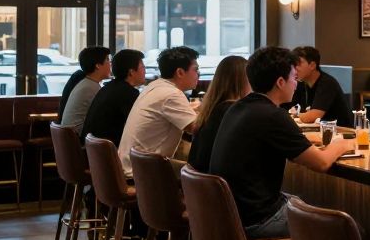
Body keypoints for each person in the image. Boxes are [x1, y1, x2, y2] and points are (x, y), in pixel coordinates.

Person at [209, 46, 351, 240]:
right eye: (294, 78)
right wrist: (341, 145)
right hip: (255, 220)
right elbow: (321, 163)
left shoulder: (240, 108)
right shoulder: (272, 116)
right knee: (342, 230)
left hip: (230, 216)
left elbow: (288, 145)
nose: (296, 84)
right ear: (280, 82)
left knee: (307, 208)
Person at [117, 47, 200, 176]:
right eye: (195, 70)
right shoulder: (171, 94)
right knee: (203, 172)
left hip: (132, 164)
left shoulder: (155, 86)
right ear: (180, 72)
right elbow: (198, 129)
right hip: (142, 172)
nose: (198, 74)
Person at [187, 55, 250, 172]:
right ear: (242, 81)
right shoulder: (234, 112)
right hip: (219, 185)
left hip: (198, 184)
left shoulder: (210, 109)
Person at [81, 49, 145, 146]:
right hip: (107, 154)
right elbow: (140, 126)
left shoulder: (109, 87)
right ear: (131, 72)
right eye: (142, 67)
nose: (145, 70)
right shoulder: (127, 93)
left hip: (92, 151)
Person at [289, 46, 352, 127]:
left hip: (342, 132)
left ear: (312, 65)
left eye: (297, 64)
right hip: (318, 130)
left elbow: (313, 116)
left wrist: (290, 116)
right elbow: (289, 107)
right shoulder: (301, 83)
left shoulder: (327, 83)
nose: (294, 68)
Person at [60, 46, 112, 134]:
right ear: (98, 65)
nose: (110, 63)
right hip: (79, 140)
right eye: (107, 59)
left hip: (71, 138)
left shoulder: (87, 83)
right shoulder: (91, 87)